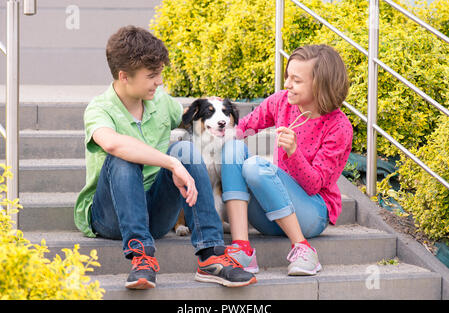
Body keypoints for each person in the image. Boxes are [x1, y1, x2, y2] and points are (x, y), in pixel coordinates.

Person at [74, 25, 256, 289]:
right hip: (110, 217)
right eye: (151, 76)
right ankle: (142, 258)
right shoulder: (99, 109)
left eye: (159, 74)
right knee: (123, 157)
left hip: (156, 216)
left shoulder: (159, 101)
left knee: (187, 150)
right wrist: (171, 163)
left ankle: (211, 256)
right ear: (124, 76)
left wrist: (215, 114)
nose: (159, 81)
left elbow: (189, 116)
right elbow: (112, 144)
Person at [222, 44, 353, 276]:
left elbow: (314, 185)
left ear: (321, 84)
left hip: (312, 213)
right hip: (269, 216)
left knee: (255, 167)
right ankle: (242, 249)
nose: (287, 85)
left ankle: (304, 249)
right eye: (287, 77)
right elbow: (243, 128)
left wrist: (294, 153)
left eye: (296, 80)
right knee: (233, 147)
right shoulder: (281, 101)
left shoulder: (338, 127)